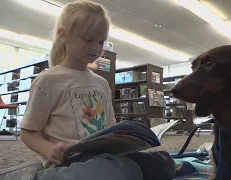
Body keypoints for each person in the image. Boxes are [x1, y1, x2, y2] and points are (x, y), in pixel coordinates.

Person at [18, 1, 145, 180]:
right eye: (88, 39)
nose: (96, 47)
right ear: (63, 35)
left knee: (162, 162)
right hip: (68, 162)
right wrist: (48, 150)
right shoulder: (48, 80)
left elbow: (110, 128)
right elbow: (28, 132)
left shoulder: (101, 83)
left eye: (101, 41)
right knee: (120, 170)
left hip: (102, 157)